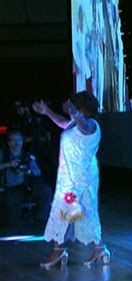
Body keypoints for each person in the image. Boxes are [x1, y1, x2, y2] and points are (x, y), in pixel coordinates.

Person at [32, 91, 109, 268]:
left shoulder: (91, 125)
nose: (70, 110)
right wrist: (47, 111)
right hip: (72, 177)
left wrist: (75, 113)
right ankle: (100, 248)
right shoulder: (74, 124)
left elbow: (84, 127)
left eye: (75, 106)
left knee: (63, 210)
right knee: (86, 213)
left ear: (84, 108)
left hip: (79, 179)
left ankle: (58, 250)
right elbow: (63, 123)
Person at [0, 130, 52, 231]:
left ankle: (40, 221)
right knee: (13, 221)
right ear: (9, 142)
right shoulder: (3, 154)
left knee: (46, 191)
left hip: (26, 186)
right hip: (10, 188)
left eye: (19, 140)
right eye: (13, 140)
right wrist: (9, 164)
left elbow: (37, 172)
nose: (17, 143)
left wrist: (26, 171)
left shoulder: (27, 156)